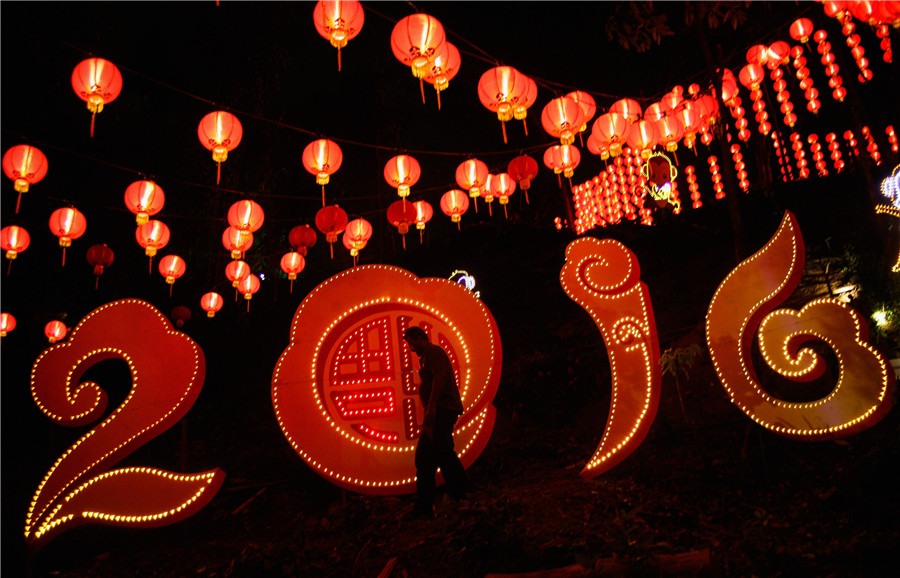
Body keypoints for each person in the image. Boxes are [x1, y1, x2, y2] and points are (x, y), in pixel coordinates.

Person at [403, 325, 469, 518]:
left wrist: (431, 407)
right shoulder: (426, 357)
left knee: (438, 453)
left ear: (419, 338)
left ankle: (462, 496)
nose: (411, 348)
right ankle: (437, 502)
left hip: (443, 409)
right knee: (432, 456)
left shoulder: (433, 351)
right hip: (438, 410)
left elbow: (441, 375)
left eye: (411, 342)